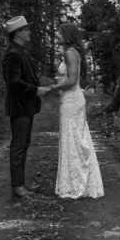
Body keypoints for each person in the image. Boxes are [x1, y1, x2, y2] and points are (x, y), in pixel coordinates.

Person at [48, 22, 104, 199]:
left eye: (59, 33)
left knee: (72, 140)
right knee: (75, 140)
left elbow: (71, 81)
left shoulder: (69, 53)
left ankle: (75, 185)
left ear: (67, 35)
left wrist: (52, 88)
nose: (57, 35)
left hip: (72, 101)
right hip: (72, 99)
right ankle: (78, 182)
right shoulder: (73, 52)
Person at [2, 15, 51, 198]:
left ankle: (20, 184)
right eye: (26, 29)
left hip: (26, 106)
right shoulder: (12, 53)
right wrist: (35, 90)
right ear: (18, 33)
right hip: (19, 107)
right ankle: (17, 187)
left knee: (24, 144)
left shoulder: (20, 51)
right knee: (18, 145)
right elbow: (13, 82)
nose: (29, 32)